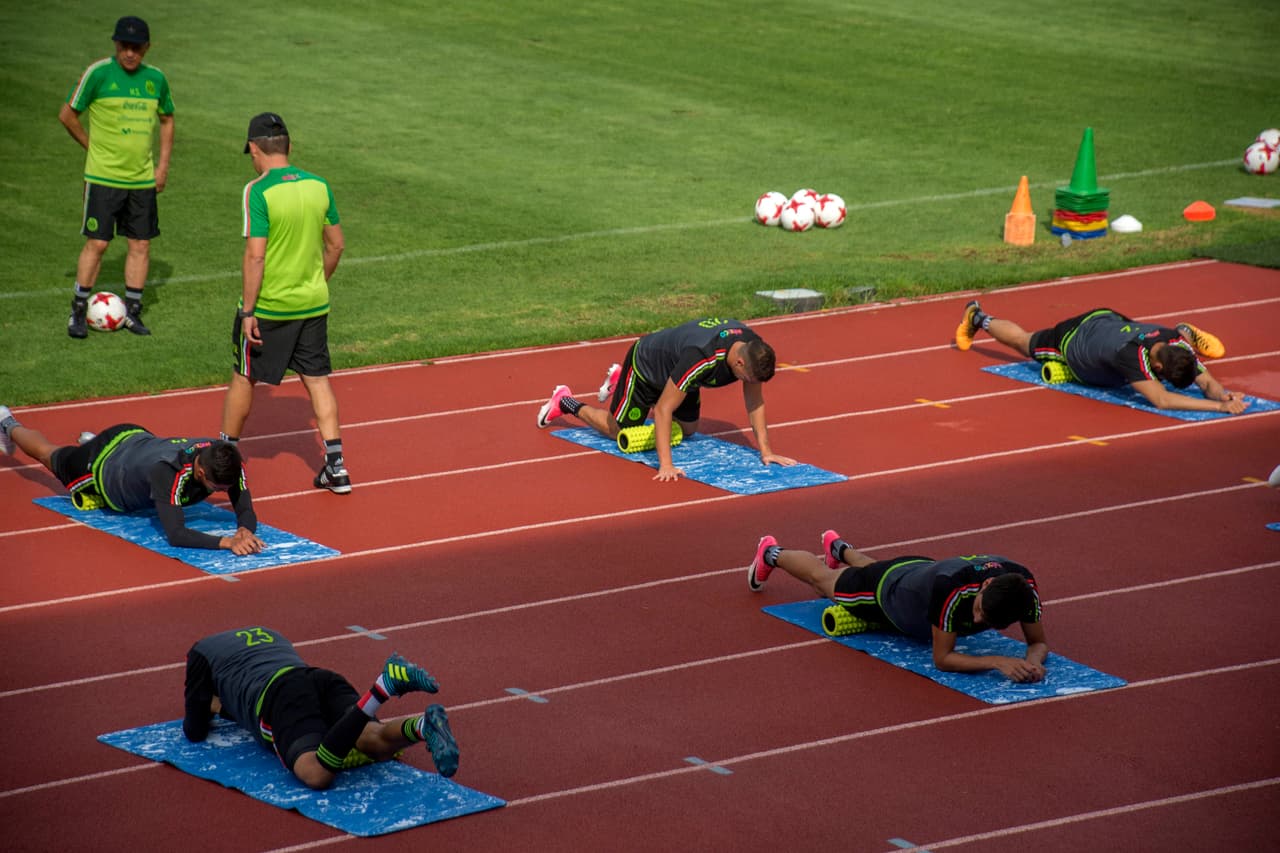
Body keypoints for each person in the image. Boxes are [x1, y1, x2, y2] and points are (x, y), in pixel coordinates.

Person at [219, 112, 350, 494]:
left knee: (245, 376)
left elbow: (255, 257)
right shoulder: (319, 186)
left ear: (256, 149)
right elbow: (337, 244)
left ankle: (224, 458)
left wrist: (248, 309)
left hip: (270, 308)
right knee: (317, 380)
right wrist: (315, 282)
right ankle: (337, 467)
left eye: (251, 153)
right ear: (289, 146)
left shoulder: (257, 191)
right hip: (313, 304)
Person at [747, 530, 1048, 682]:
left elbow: (1038, 642)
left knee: (867, 570)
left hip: (918, 572)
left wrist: (1033, 661)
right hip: (889, 593)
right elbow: (942, 658)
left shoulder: (1024, 586)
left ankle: (840, 550)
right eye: (979, 608)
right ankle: (771, 552)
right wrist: (999, 661)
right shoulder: (953, 591)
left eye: (987, 620)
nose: (975, 617)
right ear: (985, 586)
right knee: (823, 581)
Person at [183, 627, 459, 789]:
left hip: (279, 696)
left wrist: (214, 706)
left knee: (316, 773)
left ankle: (382, 689)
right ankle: (423, 726)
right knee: (374, 740)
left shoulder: (200, 651)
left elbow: (194, 730)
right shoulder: (270, 634)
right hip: (320, 678)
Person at [535, 317, 797, 481]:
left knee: (689, 430)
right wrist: (667, 465)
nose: (748, 385)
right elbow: (662, 410)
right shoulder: (701, 357)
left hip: (679, 373)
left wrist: (766, 452)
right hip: (647, 368)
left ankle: (618, 380)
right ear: (739, 362)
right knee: (618, 430)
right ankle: (566, 401)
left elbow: (754, 402)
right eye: (747, 378)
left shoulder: (753, 348)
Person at [0, 406, 263, 554]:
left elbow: (244, 504)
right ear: (201, 473)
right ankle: (8, 423)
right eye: (217, 488)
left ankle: (89, 443)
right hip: (103, 470)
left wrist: (244, 529)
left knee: (141, 466)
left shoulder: (226, 458)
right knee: (49, 455)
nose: (223, 491)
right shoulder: (168, 473)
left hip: (136, 439)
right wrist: (227, 542)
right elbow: (176, 534)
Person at [60, 15, 175, 338]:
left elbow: (167, 119)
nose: (130, 53)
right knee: (97, 243)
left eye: (136, 48)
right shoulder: (98, 74)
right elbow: (67, 114)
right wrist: (90, 145)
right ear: (115, 44)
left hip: (141, 180)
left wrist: (162, 166)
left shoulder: (156, 79)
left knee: (140, 244)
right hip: (103, 178)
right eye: (124, 46)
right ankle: (79, 310)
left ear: (147, 48)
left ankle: (133, 312)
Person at [954, 301, 1249, 415]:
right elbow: (1162, 400)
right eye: (1163, 376)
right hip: (1073, 340)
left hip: (1109, 319)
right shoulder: (1133, 358)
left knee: (1169, 334)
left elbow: (1206, 380)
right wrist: (1219, 408)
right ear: (1157, 367)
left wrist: (1224, 395)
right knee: (1024, 341)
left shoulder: (1175, 345)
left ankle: (1186, 327)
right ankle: (979, 317)